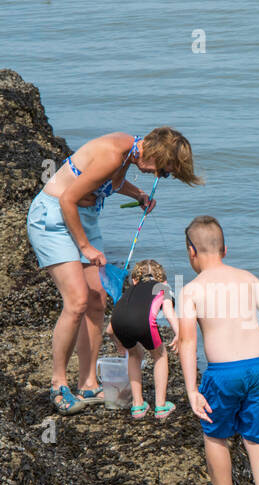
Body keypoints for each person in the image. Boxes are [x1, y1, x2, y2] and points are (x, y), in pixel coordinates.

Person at [26, 127, 200, 414]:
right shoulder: (111, 155)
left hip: (85, 217)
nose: (159, 177)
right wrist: (85, 247)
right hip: (55, 218)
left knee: (97, 301)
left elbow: (111, 183)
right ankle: (58, 385)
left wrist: (140, 194)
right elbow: (67, 198)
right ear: (155, 154)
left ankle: (88, 383)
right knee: (77, 301)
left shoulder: (129, 153)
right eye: (164, 171)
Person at [177, 216, 259, 485]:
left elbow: (188, 342)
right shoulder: (248, 278)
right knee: (257, 435)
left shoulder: (191, 290)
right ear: (225, 249)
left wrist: (192, 390)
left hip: (223, 373)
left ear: (191, 252)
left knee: (215, 435)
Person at [107, 260, 178, 420]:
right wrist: (179, 333)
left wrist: (119, 344)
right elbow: (168, 312)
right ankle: (160, 406)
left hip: (118, 322)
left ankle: (137, 406)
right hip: (143, 323)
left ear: (134, 280)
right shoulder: (164, 287)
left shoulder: (129, 291)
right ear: (163, 280)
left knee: (134, 355)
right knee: (160, 355)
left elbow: (109, 330)